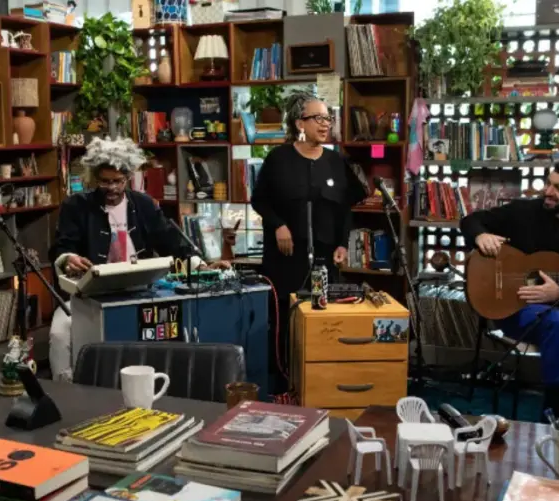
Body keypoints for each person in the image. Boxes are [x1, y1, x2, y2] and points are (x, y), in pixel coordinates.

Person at [48, 137, 230, 380]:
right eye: (104, 181)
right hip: (88, 294)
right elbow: (61, 247)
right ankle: (64, 391)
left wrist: (202, 265)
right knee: (59, 334)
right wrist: (68, 257)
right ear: (94, 178)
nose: (111, 188)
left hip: (140, 292)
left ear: (127, 178)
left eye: (117, 181)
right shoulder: (76, 206)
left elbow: (171, 242)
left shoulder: (143, 205)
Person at [459, 159, 559, 418]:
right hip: (519, 307)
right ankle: (552, 404)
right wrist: (480, 235)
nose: (548, 192)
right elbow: (471, 220)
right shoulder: (523, 212)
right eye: (548, 184)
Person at [250, 92, 368, 393]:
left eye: (328, 118)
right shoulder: (279, 159)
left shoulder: (334, 161)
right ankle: (282, 386)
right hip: (286, 258)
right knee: (283, 322)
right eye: (318, 118)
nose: (325, 124)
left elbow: (344, 208)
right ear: (300, 122)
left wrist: (342, 244)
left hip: (325, 260)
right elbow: (259, 200)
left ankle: (322, 382)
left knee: (323, 321)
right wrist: (278, 225)